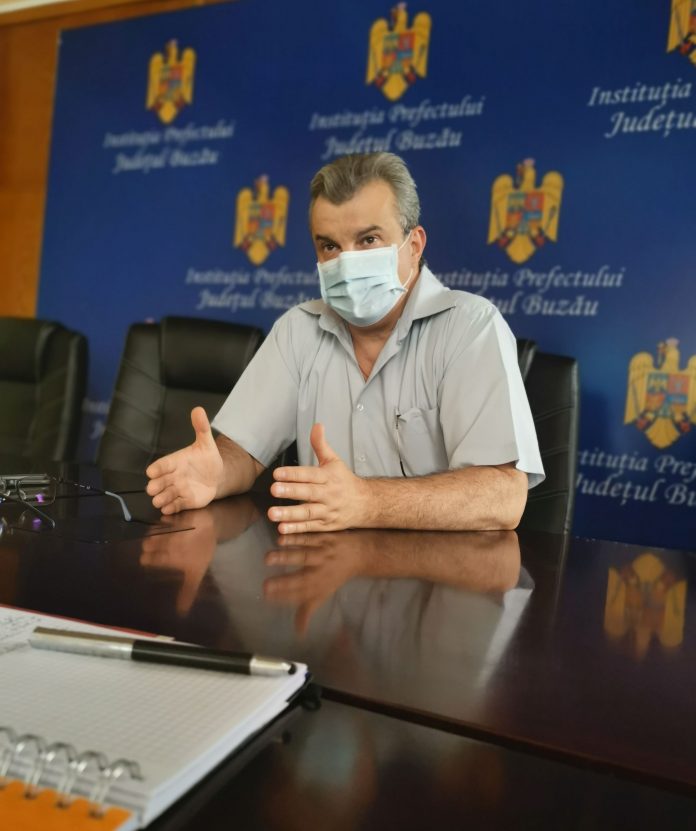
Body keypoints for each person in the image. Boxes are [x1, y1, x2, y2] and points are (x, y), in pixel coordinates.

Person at [146, 152, 544, 533]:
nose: (347, 263)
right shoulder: (298, 330)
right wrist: (218, 473)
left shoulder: (471, 327)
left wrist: (367, 501)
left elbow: (504, 497)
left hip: (436, 575)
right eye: (330, 246)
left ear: (414, 246)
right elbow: (244, 454)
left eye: (368, 240)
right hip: (322, 572)